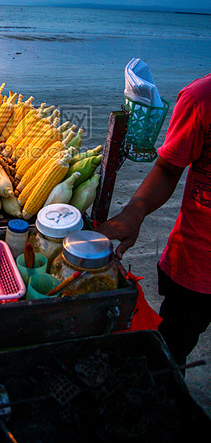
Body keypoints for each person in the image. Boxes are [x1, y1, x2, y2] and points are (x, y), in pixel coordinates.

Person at [98, 73, 211, 367]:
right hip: (199, 265)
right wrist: (135, 212)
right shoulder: (201, 97)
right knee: (174, 348)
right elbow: (169, 168)